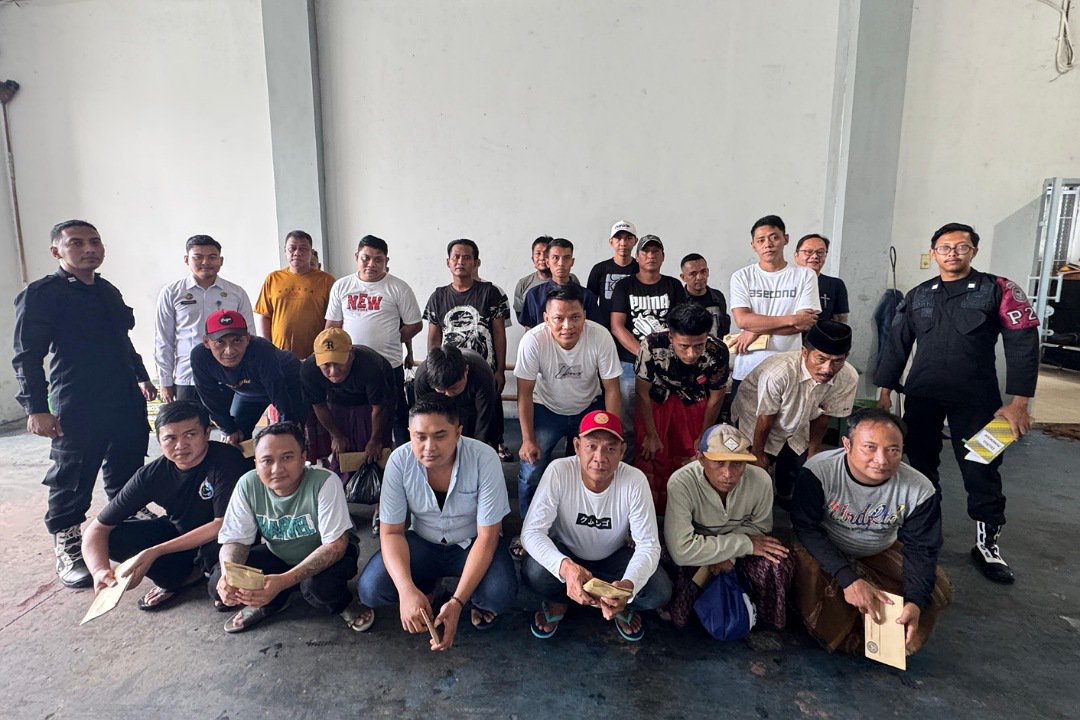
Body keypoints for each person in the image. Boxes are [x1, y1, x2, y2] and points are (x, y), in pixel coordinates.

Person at [875, 222, 1039, 584]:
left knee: (982, 467)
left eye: (961, 247)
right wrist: (884, 392)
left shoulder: (998, 289)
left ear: (974, 251)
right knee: (920, 465)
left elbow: (1023, 343)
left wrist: (1019, 403)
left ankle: (987, 545)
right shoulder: (918, 295)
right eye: (945, 247)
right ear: (933, 252)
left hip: (980, 401)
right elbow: (896, 343)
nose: (952, 253)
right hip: (923, 396)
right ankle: (924, 532)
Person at [13, 219, 157, 588]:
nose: (89, 249)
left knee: (128, 461)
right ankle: (68, 542)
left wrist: (142, 376)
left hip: (123, 394)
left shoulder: (106, 290)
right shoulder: (43, 294)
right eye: (76, 243)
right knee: (73, 473)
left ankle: (125, 518)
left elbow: (122, 341)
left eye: (94, 241)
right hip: (77, 399)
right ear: (56, 251)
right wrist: (35, 407)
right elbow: (27, 355)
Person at [357, 394, 516, 650]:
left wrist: (458, 602)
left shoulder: (484, 459)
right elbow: (392, 532)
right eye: (420, 436)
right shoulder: (399, 461)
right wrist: (406, 590)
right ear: (409, 433)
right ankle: (427, 589)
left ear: (458, 433)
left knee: (499, 595)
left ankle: (470, 599)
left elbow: (488, 537)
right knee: (370, 589)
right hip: (423, 541)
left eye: (440, 436)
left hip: (471, 543)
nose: (429, 447)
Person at [791, 408, 953, 655]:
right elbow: (807, 529)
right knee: (811, 581)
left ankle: (893, 627)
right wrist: (848, 578)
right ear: (847, 444)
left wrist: (915, 602)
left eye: (893, 450)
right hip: (825, 546)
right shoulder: (818, 471)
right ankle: (846, 627)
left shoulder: (920, 490)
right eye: (870, 448)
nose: (882, 460)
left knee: (937, 589)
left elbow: (922, 549)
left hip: (878, 548)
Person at [81, 401, 250, 610]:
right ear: (159, 440)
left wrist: (155, 551)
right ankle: (180, 578)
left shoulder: (226, 459)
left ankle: (207, 574)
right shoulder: (151, 475)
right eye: (170, 438)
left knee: (224, 593)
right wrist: (98, 571)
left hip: (223, 540)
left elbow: (222, 524)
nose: (180, 445)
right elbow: (97, 529)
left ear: (207, 433)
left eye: (190, 434)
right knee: (113, 537)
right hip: (181, 534)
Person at [521, 410, 671, 641]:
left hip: (613, 559)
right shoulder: (559, 471)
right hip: (568, 553)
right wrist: (566, 568)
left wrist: (627, 585)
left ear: (622, 451)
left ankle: (617, 601)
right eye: (591, 446)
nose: (600, 458)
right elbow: (531, 533)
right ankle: (561, 598)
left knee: (659, 590)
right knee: (534, 571)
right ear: (577, 446)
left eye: (610, 448)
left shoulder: (634, 480)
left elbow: (649, 545)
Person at [212, 422, 370, 633]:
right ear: (256, 463)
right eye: (267, 460)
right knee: (218, 579)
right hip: (278, 554)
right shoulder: (247, 484)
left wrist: (283, 581)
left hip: (329, 554)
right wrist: (229, 575)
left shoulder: (324, 481)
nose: (277, 469)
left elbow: (335, 546)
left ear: (303, 457)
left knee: (318, 587)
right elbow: (236, 540)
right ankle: (272, 602)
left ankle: (343, 602)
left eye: (287, 458)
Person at [663, 424, 793, 630]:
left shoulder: (761, 481)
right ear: (701, 459)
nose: (728, 473)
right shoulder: (682, 483)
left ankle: (760, 619)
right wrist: (740, 544)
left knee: (778, 560)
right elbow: (681, 550)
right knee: (668, 562)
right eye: (719, 462)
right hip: (701, 553)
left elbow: (760, 529)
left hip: (721, 550)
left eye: (737, 464)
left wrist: (729, 555)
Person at [514, 285, 622, 520]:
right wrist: (527, 440)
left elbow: (612, 388)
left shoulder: (600, 336)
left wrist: (612, 432)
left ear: (585, 315)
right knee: (531, 470)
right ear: (546, 319)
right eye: (559, 318)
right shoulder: (533, 341)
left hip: (588, 408)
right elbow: (525, 393)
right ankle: (528, 527)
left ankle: (586, 523)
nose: (567, 326)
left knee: (596, 465)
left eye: (575, 317)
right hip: (546, 408)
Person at [731, 321, 858, 504]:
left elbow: (824, 417)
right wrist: (758, 453)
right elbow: (765, 417)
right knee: (753, 474)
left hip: (799, 421)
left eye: (837, 361)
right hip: (755, 418)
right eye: (821, 359)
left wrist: (814, 452)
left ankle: (784, 498)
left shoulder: (848, 377)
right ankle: (751, 505)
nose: (827, 369)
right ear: (804, 352)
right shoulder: (778, 373)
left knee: (795, 471)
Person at [325, 234, 422, 447]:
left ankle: (406, 455)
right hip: (349, 365)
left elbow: (415, 324)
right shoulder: (342, 286)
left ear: (386, 261)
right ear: (356, 257)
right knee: (357, 413)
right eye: (366, 258)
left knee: (396, 414)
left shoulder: (398, 287)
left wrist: (394, 337)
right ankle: (362, 458)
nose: (371, 264)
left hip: (388, 365)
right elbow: (332, 326)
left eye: (378, 259)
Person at [635, 302, 730, 514]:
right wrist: (651, 434)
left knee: (693, 455)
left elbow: (716, 396)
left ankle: (687, 510)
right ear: (671, 337)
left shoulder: (718, 350)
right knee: (653, 454)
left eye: (699, 346)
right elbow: (642, 392)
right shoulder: (651, 345)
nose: (691, 354)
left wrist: (703, 435)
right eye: (684, 346)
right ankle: (652, 512)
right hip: (657, 403)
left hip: (695, 403)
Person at [423, 238, 512, 459]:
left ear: (476, 262)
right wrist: (435, 370)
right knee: (450, 420)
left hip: (484, 372)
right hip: (449, 374)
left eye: (466, 257)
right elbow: (433, 339)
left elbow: (499, 334)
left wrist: (500, 370)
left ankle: (488, 457)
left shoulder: (491, 293)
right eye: (456, 257)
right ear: (448, 262)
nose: (460, 262)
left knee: (487, 422)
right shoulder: (438, 297)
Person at [610, 234, 688, 454]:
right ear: (637, 256)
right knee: (627, 416)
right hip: (630, 361)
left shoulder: (673, 285)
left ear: (663, 256)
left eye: (655, 251)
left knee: (669, 416)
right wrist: (645, 354)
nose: (651, 256)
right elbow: (617, 326)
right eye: (645, 251)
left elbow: (681, 325)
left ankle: (662, 462)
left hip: (669, 362)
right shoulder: (624, 286)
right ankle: (626, 460)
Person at [728, 215, 820, 398]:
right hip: (748, 369)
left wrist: (754, 330)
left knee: (786, 417)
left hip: (789, 369)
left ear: (786, 239)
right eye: (761, 240)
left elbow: (803, 324)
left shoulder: (805, 276)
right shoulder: (742, 277)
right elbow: (742, 320)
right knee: (743, 417)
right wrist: (792, 319)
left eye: (774, 237)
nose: (768, 244)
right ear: (753, 245)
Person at [155, 235, 254, 404]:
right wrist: (165, 382)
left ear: (221, 261)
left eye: (212, 257)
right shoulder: (172, 293)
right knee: (189, 421)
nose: (205, 262)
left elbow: (249, 335)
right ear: (187, 260)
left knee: (231, 421)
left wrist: (250, 373)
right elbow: (164, 339)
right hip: (188, 377)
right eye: (198, 257)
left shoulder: (236, 293)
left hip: (230, 377)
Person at [191, 310, 306, 443]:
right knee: (236, 438)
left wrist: (288, 426)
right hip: (248, 391)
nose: (229, 351)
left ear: (247, 338)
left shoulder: (261, 349)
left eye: (237, 340)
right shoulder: (200, 357)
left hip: (287, 382)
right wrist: (228, 429)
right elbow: (210, 398)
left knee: (291, 433)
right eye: (220, 342)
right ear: (206, 342)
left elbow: (279, 392)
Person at [301, 327, 393, 469]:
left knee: (374, 451)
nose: (333, 371)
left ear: (351, 355)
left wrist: (375, 440)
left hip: (372, 402)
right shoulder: (309, 370)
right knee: (342, 447)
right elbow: (319, 406)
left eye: (339, 363)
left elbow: (379, 409)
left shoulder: (370, 367)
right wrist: (336, 435)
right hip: (337, 399)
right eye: (326, 365)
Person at [254, 230, 336, 359]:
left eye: (303, 249)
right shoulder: (273, 278)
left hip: (315, 355)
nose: (297, 253)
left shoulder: (327, 280)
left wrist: (323, 349)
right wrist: (268, 348)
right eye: (292, 248)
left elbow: (333, 319)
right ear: (285, 251)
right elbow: (265, 315)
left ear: (311, 252)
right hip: (278, 355)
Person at [414, 344, 500, 450]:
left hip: (472, 404)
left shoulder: (482, 374)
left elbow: (483, 421)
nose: (448, 394)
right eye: (441, 390)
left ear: (466, 371)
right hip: (439, 406)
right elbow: (424, 416)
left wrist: (476, 452)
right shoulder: (422, 378)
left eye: (453, 388)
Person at [518, 238, 602, 327]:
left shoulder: (586, 296)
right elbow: (529, 329)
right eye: (555, 258)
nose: (561, 263)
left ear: (572, 262)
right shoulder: (534, 295)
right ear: (548, 262)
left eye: (566, 258)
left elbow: (594, 327)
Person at [586, 219, 639, 327]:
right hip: (604, 329)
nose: (623, 243)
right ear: (611, 242)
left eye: (628, 238)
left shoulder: (641, 269)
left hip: (635, 329)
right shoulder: (599, 269)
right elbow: (590, 303)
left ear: (635, 241)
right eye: (618, 238)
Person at [513, 235, 579, 317]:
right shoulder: (524, 284)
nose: (542, 257)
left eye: (546, 253)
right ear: (532, 258)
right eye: (538, 253)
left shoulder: (571, 279)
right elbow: (520, 314)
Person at [794, 234, 849, 323]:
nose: (815, 256)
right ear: (796, 255)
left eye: (820, 252)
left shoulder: (835, 284)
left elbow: (841, 321)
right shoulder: (784, 281)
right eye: (808, 251)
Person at [679, 253, 730, 338]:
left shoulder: (718, 296)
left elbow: (723, 327)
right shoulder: (678, 299)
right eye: (693, 274)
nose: (699, 277)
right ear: (683, 277)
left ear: (708, 272)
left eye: (703, 271)